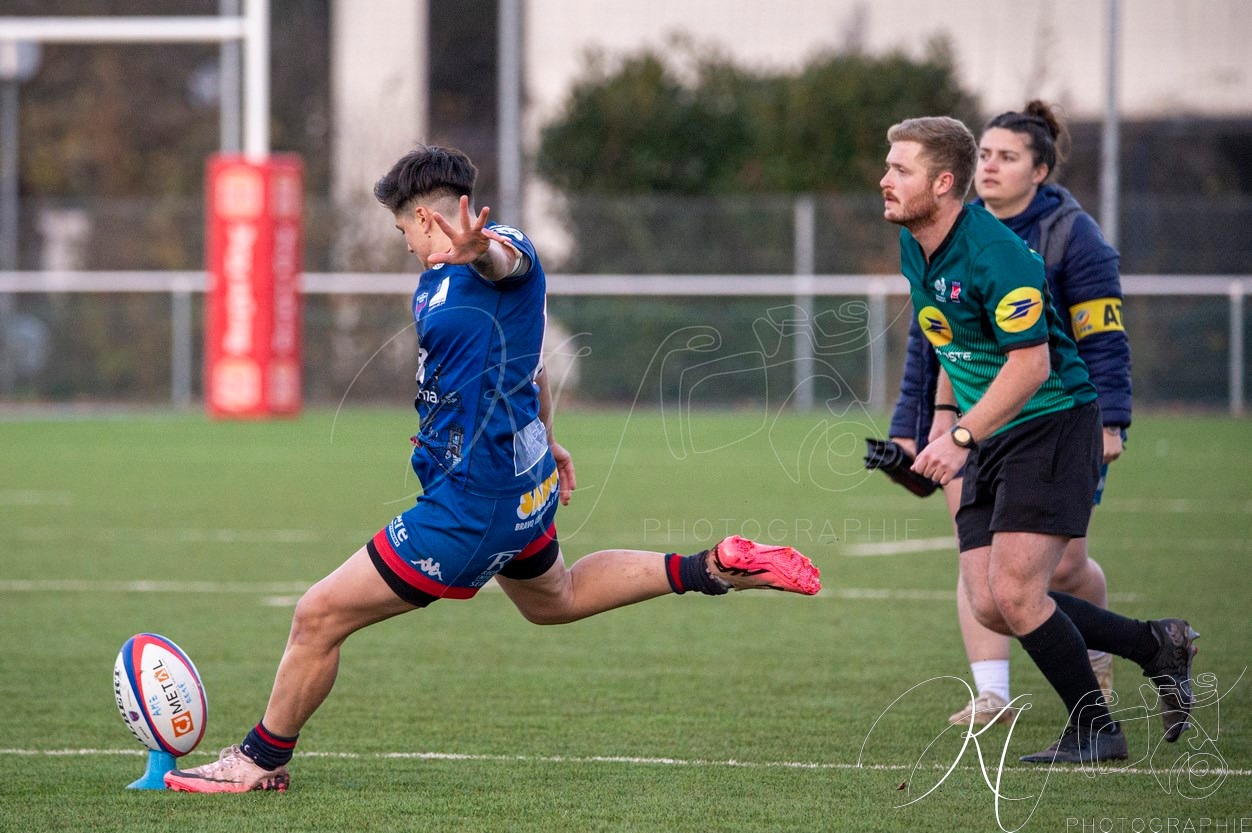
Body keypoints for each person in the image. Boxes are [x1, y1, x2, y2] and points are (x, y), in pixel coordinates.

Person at [164, 145, 821, 793]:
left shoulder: (500, 252)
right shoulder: (434, 282)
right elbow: (528, 363)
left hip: (471, 503)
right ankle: (712, 567)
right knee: (555, 599)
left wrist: (482, 251)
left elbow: (506, 262)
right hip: (519, 480)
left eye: (403, 229)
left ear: (427, 217)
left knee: (318, 616)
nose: (405, 244)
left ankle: (258, 760)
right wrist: (549, 438)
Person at [878, 116, 1197, 763]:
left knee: (1021, 593)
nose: (885, 179)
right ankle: (1155, 644)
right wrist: (937, 422)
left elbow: (1031, 366)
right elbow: (948, 337)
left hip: (1049, 423)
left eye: (900, 169)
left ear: (943, 183)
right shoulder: (916, 242)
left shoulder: (998, 254)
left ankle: (1096, 729)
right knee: (991, 603)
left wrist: (961, 435)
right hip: (991, 430)